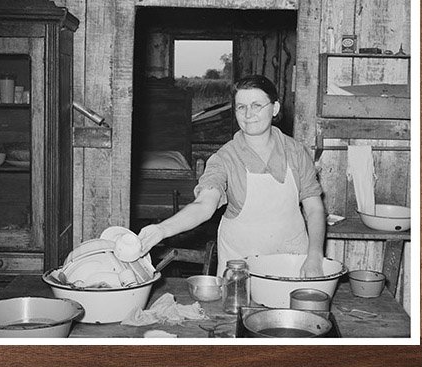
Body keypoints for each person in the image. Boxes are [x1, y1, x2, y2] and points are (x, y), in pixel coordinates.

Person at [129, 74, 327, 277]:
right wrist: (161, 230)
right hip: (242, 268)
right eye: (241, 107)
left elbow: (314, 210)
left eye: (257, 105)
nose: (248, 114)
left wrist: (314, 256)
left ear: (274, 108)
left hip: (292, 260)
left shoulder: (295, 153)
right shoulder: (224, 158)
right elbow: (204, 206)